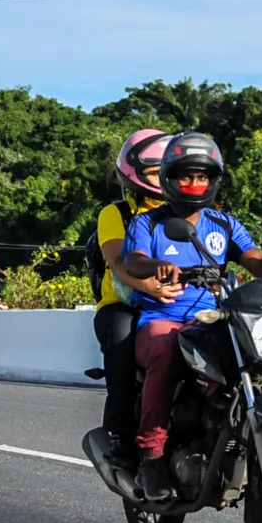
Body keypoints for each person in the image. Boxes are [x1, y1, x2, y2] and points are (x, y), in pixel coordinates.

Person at [121, 131, 262, 501]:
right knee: (165, 350)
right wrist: (157, 266)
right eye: (186, 176)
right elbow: (133, 260)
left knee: (261, 353)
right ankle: (151, 455)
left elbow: (254, 258)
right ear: (168, 178)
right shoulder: (148, 224)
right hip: (163, 319)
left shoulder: (225, 224)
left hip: (213, 320)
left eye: (202, 176)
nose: (195, 184)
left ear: (214, 180)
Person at [92, 129, 181, 469]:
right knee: (123, 339)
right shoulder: (114, 214)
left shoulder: (186, 212)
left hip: (174, 302)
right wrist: (149, 289)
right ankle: (120, 434)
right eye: (153, 171)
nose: (163, 178)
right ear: (133, 173)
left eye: (167, 169)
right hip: (124, 304)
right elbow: (117, 264)